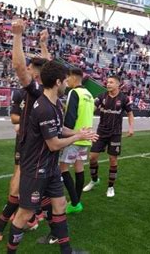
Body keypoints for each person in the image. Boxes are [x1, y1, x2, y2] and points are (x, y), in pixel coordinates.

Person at [6, 60, 97, 254]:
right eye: (64, 81)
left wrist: (78, 132)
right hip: (36, 169)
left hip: (50, 166)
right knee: (25, 213)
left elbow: (59, 128)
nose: (66, 84)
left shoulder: (55, 103)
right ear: (57, 82)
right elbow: (54, 143)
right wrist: (77, 136)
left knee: (60, 204)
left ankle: (67, 250)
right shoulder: (45, 107)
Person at [0, 20, 49, 242]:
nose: (25, 68)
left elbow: (26, 66)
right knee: (36, 187)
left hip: (34, 145)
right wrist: (43, 43)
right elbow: (15, 116)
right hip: (29, 141)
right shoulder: (29, 92)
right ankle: (35, 219)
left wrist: (17, 36)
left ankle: (0, 227)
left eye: (30, 68)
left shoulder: (38, 89)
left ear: (35, 74)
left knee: (19, 184)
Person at [83, 75, 134, 198]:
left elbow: (130, 114)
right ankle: (94, 180)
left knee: (113, 160)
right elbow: (91, 109)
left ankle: (110, 187)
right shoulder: (101, 97)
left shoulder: (124, 99)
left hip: (115, 133)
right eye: (107, 82)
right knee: (93, 157)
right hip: (101, 132)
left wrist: (131, 128)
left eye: (111, 82)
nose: (108, 84)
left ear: (118, 84)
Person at [60, 67, 94, 214]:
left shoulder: (74, 92)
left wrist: (65, 136)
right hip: (85, 138)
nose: (67, 81)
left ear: (74, 78)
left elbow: (71, 117)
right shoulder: (89, 94)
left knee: (63, 169)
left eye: (68, 78)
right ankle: (76, 201)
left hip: (75, 137)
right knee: (79, 168)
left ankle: (74, 203)